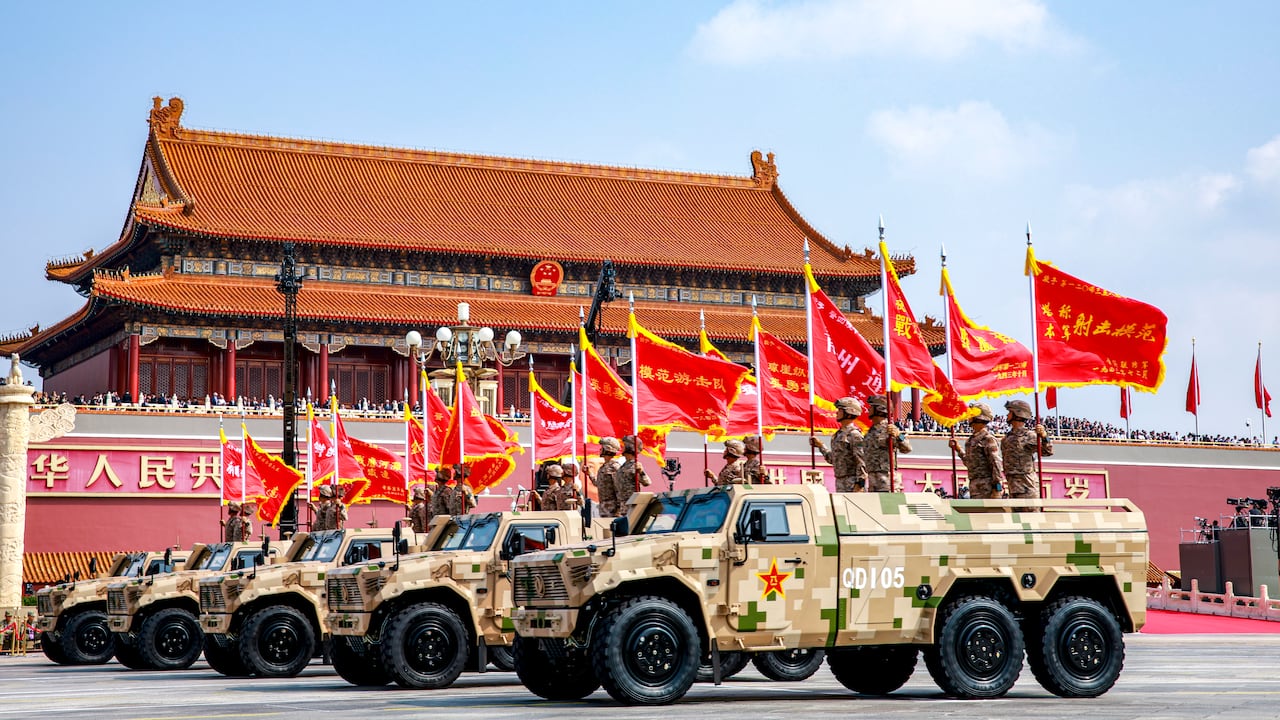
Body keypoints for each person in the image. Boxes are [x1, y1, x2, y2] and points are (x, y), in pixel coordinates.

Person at [810, 396, 868, 492]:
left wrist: (859, 484)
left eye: (840, 410)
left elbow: (861, 461)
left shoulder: (854, 435)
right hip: (840, 482)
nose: (837, 412)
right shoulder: (838, 435)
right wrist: (821, 446)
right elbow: (833, 459)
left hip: (853, 483)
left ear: (849, 413)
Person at [950, 402, 1005, 499]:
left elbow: (995, 464)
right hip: (975, 487)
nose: (968, 417)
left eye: (971, 415)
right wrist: (958, 449)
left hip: (987, 487)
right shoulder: (971, 440)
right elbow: (969, 463)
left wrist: (997, 488)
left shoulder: (988, 438)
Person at [1002, 399, 1054, 500]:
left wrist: (1044, 436)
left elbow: (1048, 451)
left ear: (1017, 414)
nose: (1007, 415)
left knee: (1031, 515)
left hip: (1027, 487)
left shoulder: (1029, 435)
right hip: (1013, 487)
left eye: (1009, 412)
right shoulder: (1007, 438)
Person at [863, 395, 911, 492]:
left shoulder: (889, 429)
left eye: (871, 407)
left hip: (888, 481)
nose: (869, 409)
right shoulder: (870, 432)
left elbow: (907, 448)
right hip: (873, 482)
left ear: (879, 409)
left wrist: (898, 435)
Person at [613, 435, 650, 516]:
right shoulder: (623, 466)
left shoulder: (635, 466)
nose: (621, 448)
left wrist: (641, 471)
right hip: (623, 506)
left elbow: (647, 482)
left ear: (629, 448)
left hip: (632, 505)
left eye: (624, 446)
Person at [595, 437, 625, 517]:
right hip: (604, 508)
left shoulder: (614, 467)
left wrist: (619, 510)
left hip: (613, 509)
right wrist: (589, 474)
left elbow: (619, 489)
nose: (600, 450)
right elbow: (599, 484)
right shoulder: (603, 467)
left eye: (602, 447)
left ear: (607, 449)